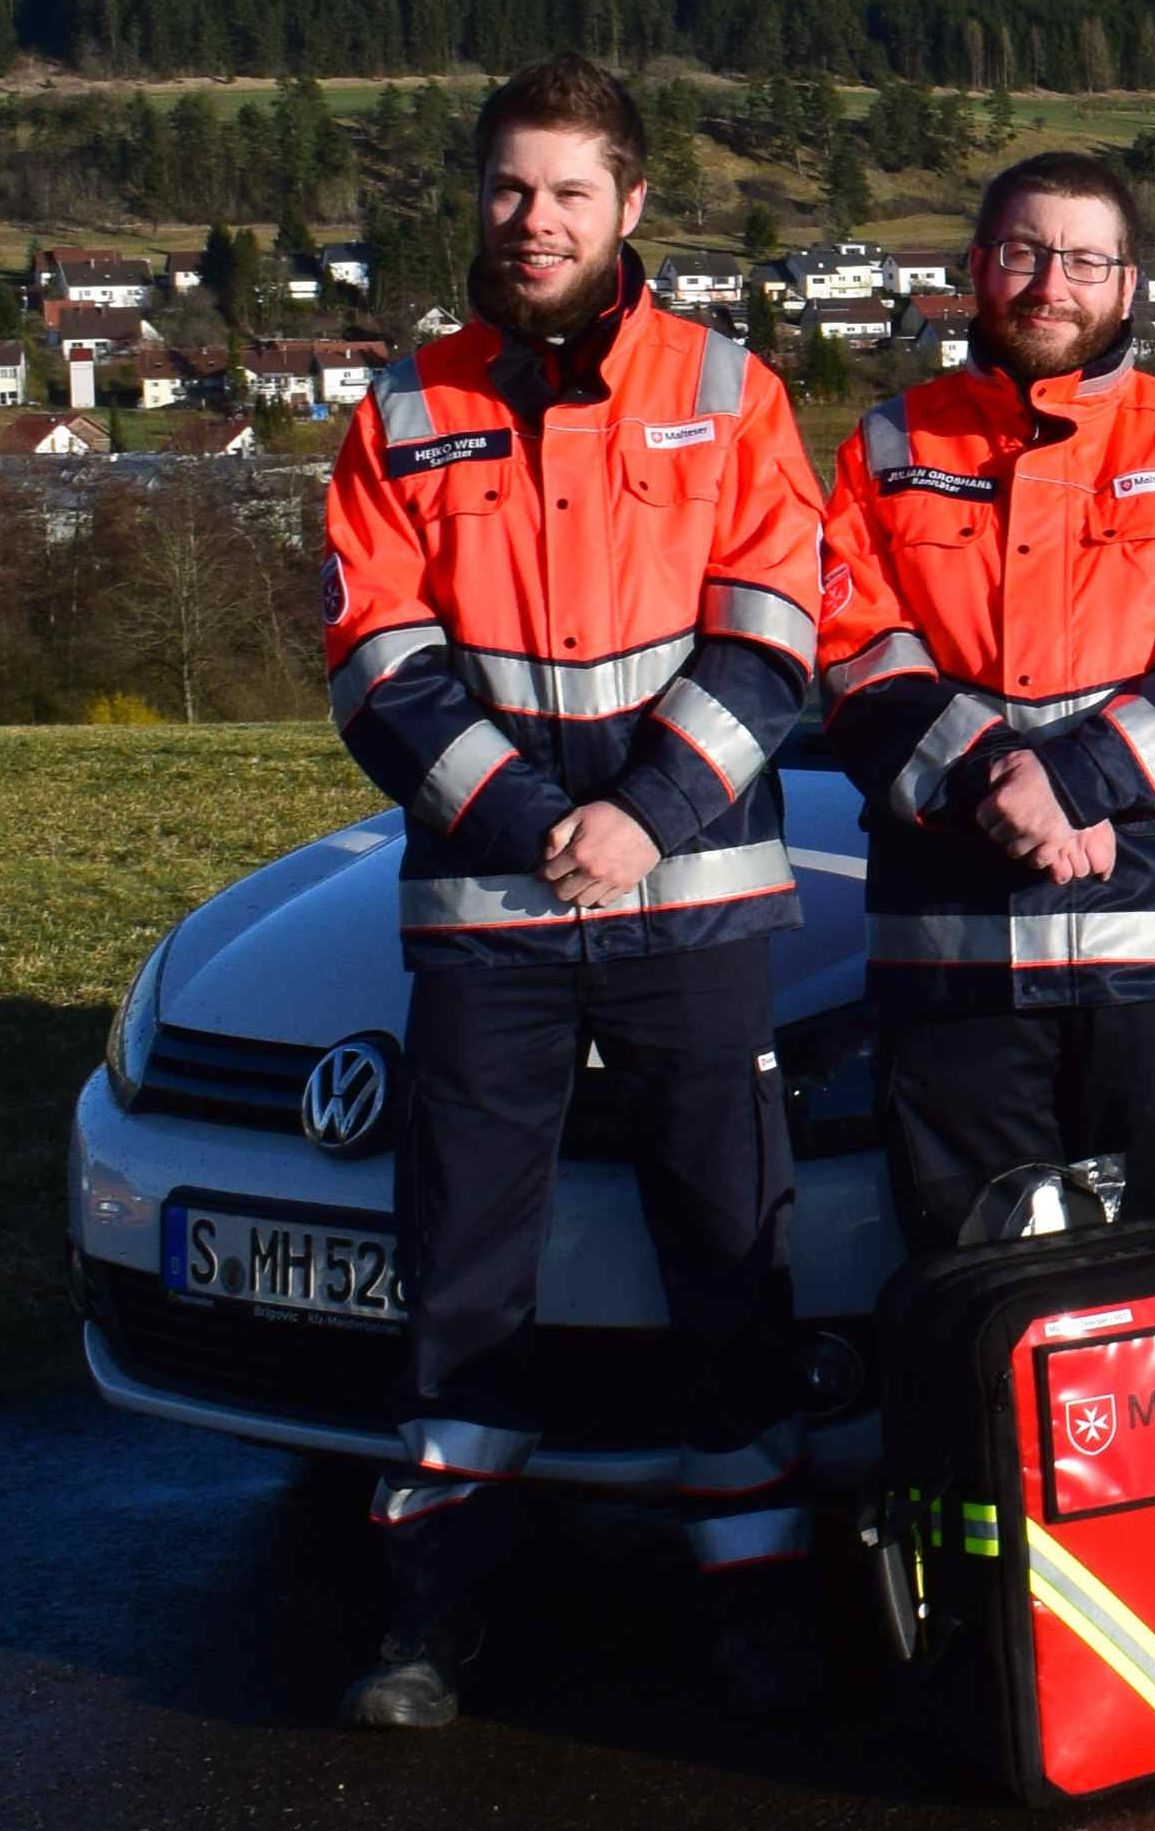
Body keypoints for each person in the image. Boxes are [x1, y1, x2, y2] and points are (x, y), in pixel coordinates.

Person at [316, 54, 825, 1727]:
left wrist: (650, 813)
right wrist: (542, 817)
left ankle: (755, 1601)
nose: (534, 222)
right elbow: (377, 663)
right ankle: (434, 1613)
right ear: (477, 201)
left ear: (630, 208)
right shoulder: (398, 414)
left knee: (724, 1251)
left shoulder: (730, 391)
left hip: (694, 909)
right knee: (461, 1266)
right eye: (509, 191)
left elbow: (775, 628)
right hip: (490, 917)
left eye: (568, 193)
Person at [817, 152, 1155, 1248]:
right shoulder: (887, 445)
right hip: (955, 948)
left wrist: (1076, 780)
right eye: (1025, 254)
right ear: (978, 269)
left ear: (1127, 285)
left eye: (1084, 260)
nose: (1051, 284)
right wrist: (1004, 781)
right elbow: (851, 650)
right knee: (971, 1280)